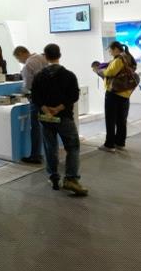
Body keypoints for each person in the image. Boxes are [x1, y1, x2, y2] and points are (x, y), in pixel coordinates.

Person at [31, 44, 88, 196]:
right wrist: (58, 108)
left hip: (46, 118)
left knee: (50, 148)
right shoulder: (69, 75)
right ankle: (71, 179)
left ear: (45, 56)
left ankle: (53, 177)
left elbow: (35, 96)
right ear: (59, 55)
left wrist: (45, 109)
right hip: (64, 117)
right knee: (72, 147)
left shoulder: (39, 76)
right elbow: (74, 95)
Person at [95, 41, 138, 153]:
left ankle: (109, 145)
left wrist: (100, 70)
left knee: (110, 119)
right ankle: (120, 142)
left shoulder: (119, 59)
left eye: (110, 50)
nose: (110, 53)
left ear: (115, 49)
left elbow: (109, 72)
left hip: (114, 93)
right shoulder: (128, 57)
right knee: (121, 119)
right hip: (125, 93)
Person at [13, 46, 48, 164]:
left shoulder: (28, 65)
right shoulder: (42, 58)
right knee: (46, 125)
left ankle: (35, 155)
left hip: (37, 97)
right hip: (48, 97)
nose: (20, 61)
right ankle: (46, 153)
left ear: (21, 54)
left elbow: (28, 85)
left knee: (35, 126)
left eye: (18, 59)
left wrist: (23, 91)